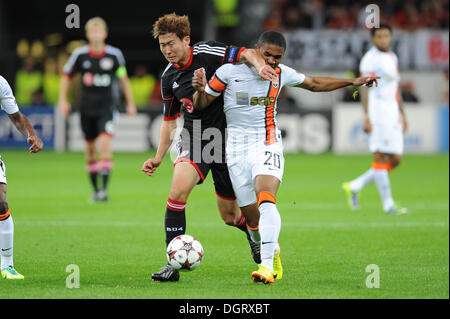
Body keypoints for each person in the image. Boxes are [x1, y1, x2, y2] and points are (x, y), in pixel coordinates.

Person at [191, 30, 379, 284]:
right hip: (235, 150)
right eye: (266, 54)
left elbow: (314, 84)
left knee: (266, 197)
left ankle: (266, 267)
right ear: (256, 49)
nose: (271, 61)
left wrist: (352, 81)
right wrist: (200, 90)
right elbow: (201, 103)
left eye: (277, 57)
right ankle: (273, 251)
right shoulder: (227, 72)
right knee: (252, 220)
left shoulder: (281, 75)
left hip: (267, 143)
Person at [141, 13, 278, 282]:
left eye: (171, 43)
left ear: (186, 40)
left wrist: (260, 66)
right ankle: (172, 263)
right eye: (162, 45)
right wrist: (158, 157)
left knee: (230, 216)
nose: (167, 50)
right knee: (177, 192)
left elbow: (246, 53)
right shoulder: (169, 77)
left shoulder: (208, 53)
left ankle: (257, 238)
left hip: (231, 142)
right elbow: (169, 122)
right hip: (197, 139)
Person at [59, 17, 136, 202]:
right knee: (91, 151)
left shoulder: (114, 55)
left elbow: (123, 78)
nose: (95, 35)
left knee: (105, 145)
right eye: (92, 32)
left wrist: (130, 102)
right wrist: (63, 100)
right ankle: (95, 190)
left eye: (98, 31)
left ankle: (104, 191)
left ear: (105, 34)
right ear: (87, 35)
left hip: (107, 108)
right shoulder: (80, 55)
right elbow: (66, 75)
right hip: (86, 108)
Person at [342, 23, 408, 215]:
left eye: (386, 36)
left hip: (393, 113)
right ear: (373, 39)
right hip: (378, 114)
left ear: (391, 37)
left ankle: (355, 185)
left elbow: (395, 88)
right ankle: (388, 205)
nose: (383, 40)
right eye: (379, 37)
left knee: (395, 159)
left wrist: (402, 113)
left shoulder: (392, 57)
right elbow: (365, 90)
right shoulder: (370, 60)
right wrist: (366, 116)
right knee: (380, 156)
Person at [0, 75, 44, 279]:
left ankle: (7, 265)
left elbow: (16, 117)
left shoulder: (0, 83)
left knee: (1, 201)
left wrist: (31, 134)